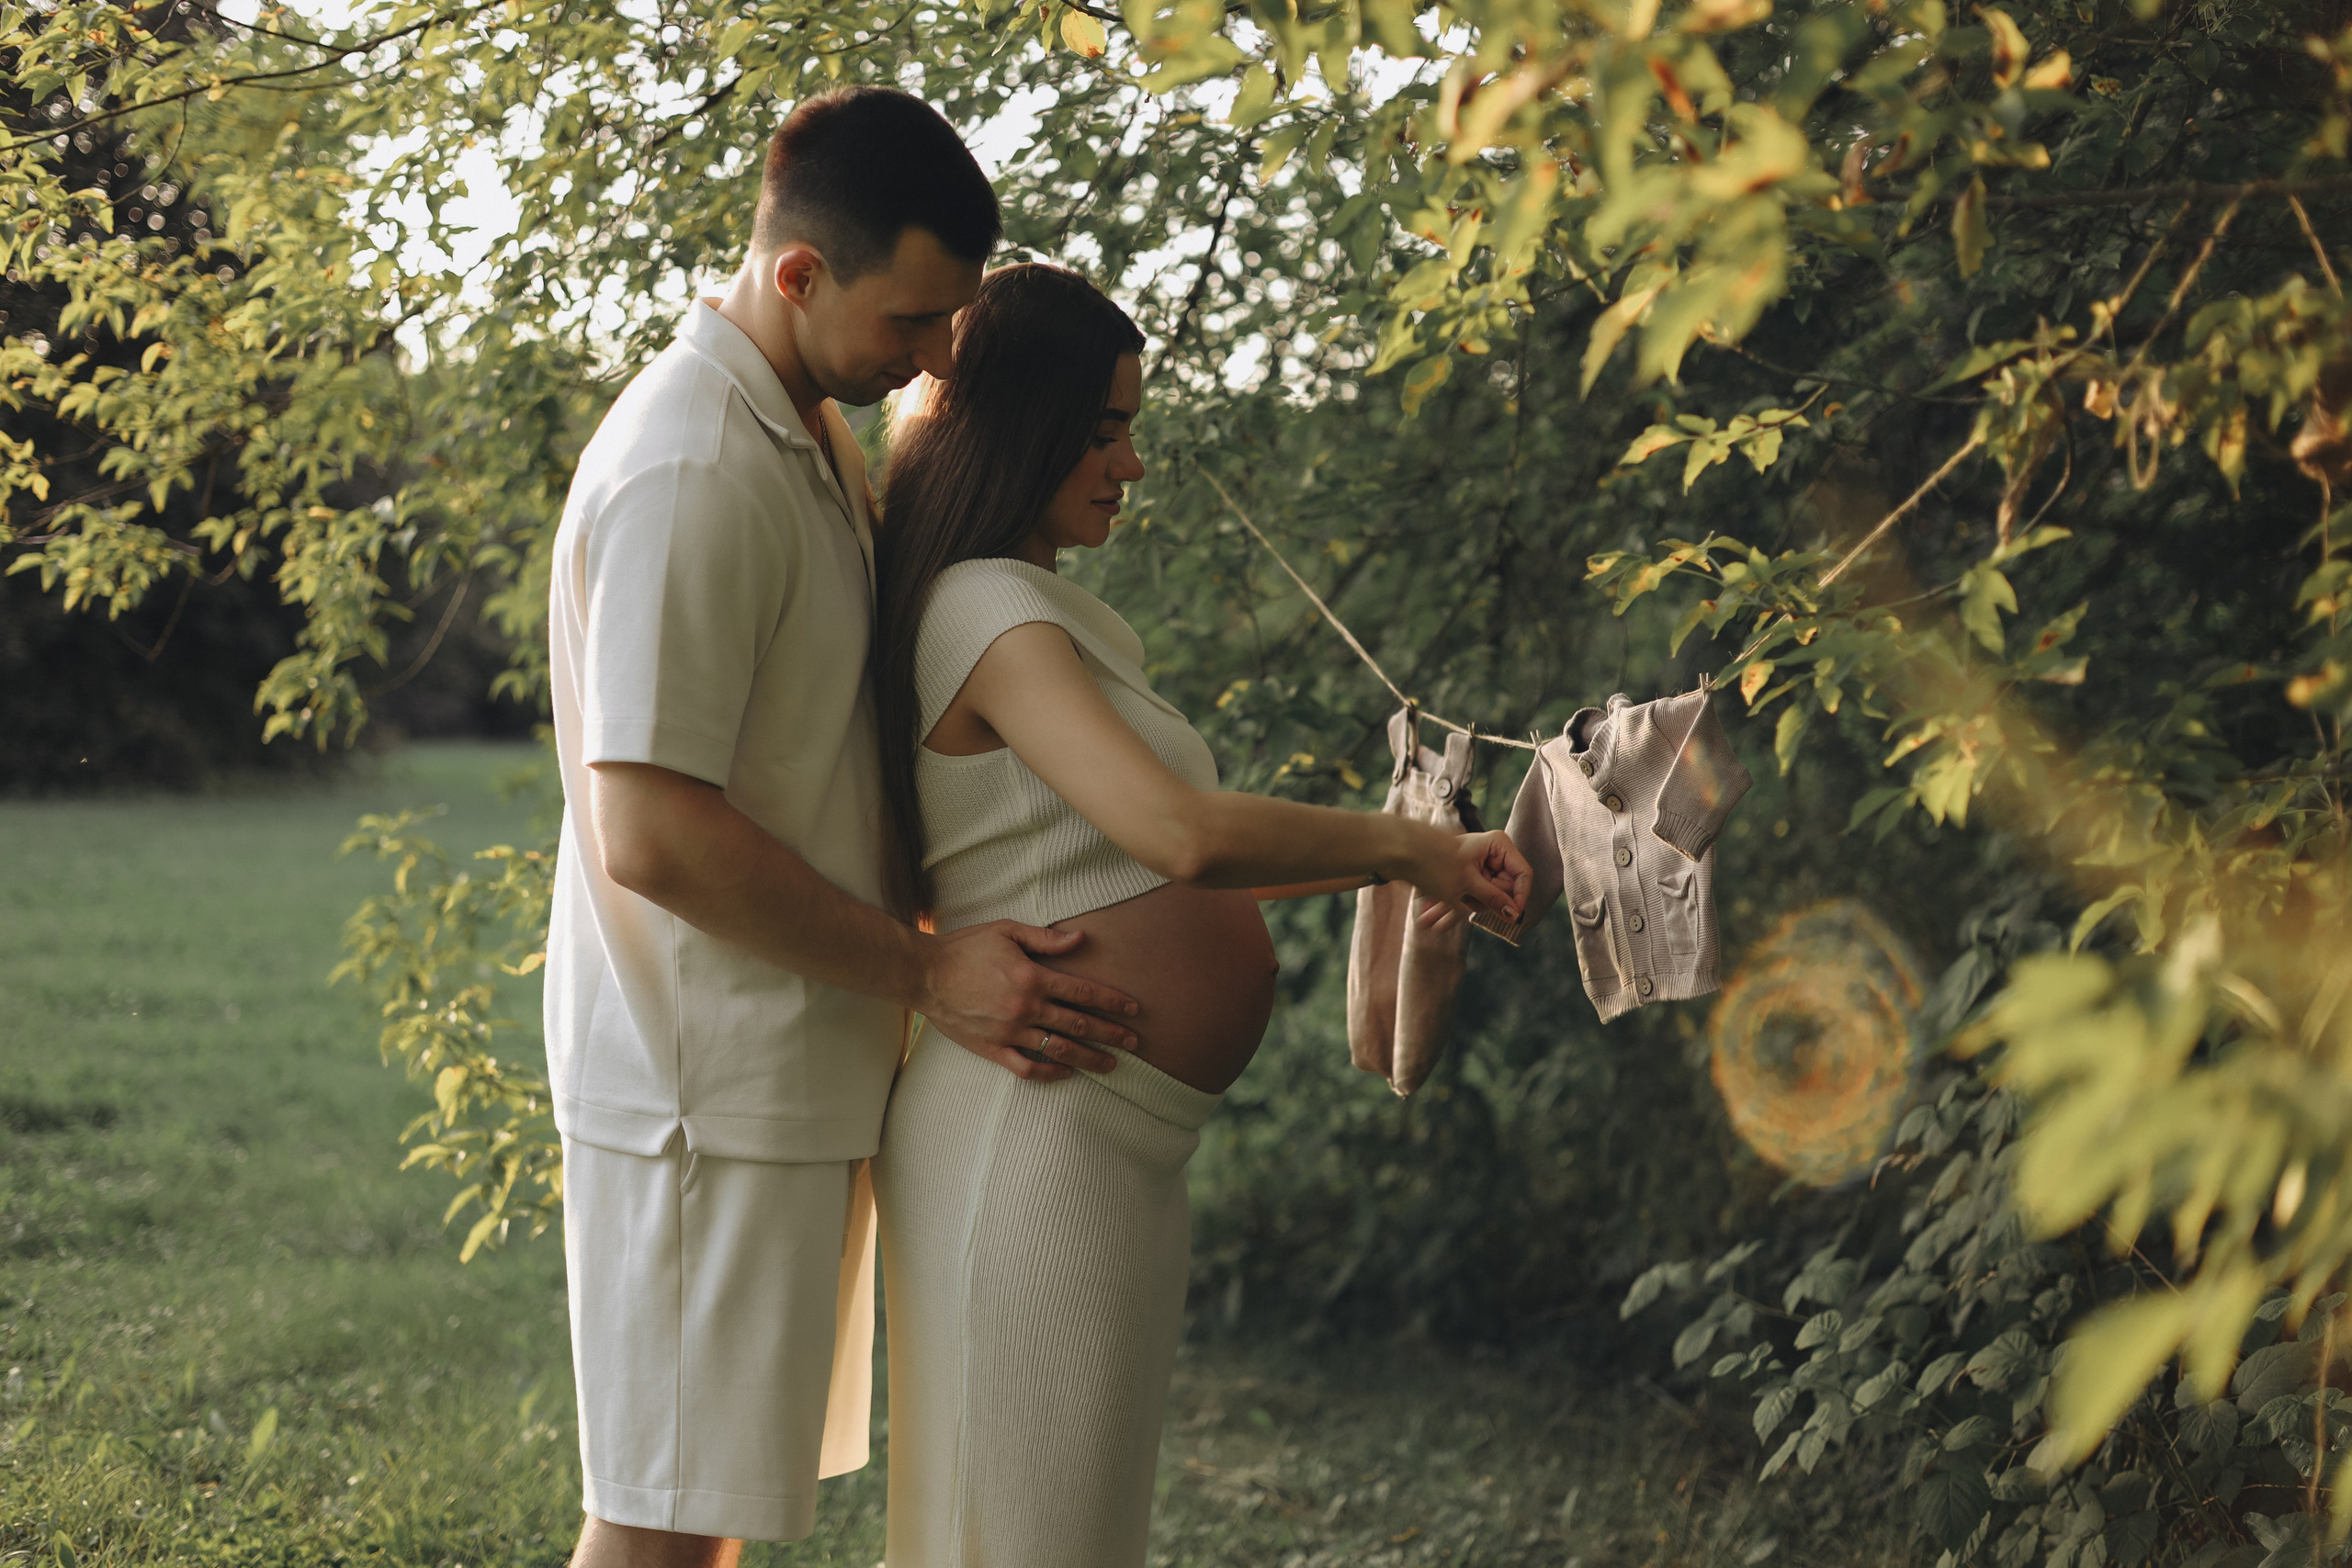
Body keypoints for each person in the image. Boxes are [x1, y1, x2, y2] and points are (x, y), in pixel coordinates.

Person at [543, 95, 1148, 1568]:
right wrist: (926, 967)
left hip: (784, 1085)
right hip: (709, 1093)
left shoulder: (803, 426)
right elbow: (653, 832)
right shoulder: (695, 466)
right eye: (916, 319)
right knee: (658, 1536)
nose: (939, 357)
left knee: (717, 1522)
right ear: (800, 274)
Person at [869, 264, 1532, 1568]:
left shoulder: (1038, 603)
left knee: (1070, 1537)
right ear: (1017, 423)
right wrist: (1409, 844)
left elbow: (1156, 869)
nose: (1130, 462)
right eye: (1104, 428)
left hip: (1107, 1137)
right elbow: (1180, 833)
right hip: (1033, 1129)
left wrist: (1407, 866)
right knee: (1018, 1543)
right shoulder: (988, 608)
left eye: (1131, 427)